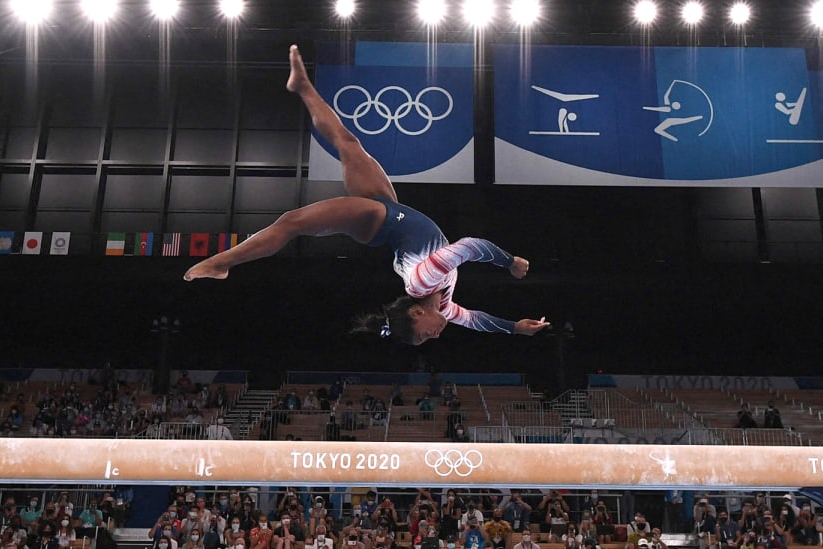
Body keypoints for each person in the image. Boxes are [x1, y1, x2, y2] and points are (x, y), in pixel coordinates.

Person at [184, 46, 549, 344]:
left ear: (416, 312)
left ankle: (221, 263)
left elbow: (469, 246)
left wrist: (509, 262)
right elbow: (474, 320)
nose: (434, 337)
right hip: (392, 213)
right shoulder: (445, 303)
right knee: (348, 142)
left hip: (380, 221)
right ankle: (303, 87)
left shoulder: (423, 282)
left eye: (422, 337)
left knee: (293, 222)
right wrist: (515, 326)